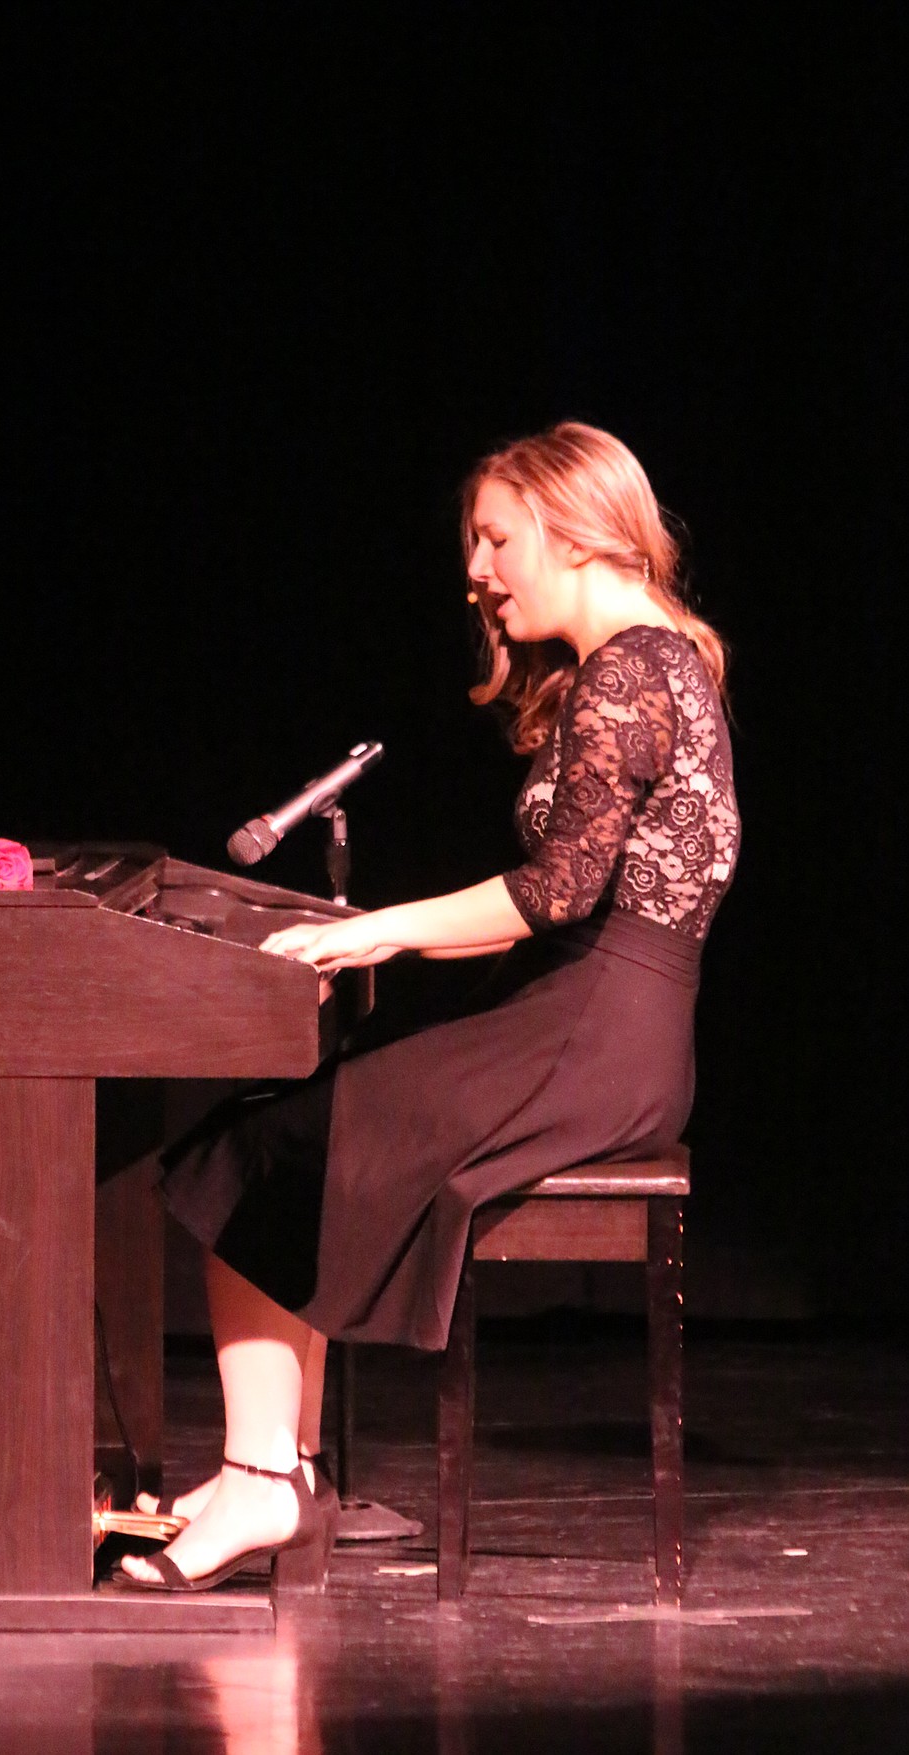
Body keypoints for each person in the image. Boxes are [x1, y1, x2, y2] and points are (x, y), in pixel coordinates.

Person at [119, 420, 740, 1592]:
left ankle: (266, 1484)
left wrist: (374, 931)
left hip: (591, 1038)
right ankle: (277, 1470)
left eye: (497, 539)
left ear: (572, 525)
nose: (478, 572)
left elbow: (556, 894)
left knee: (254, 1146)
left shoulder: (631, 672)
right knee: (275, 1125)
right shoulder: (662, 663)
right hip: (605, 1028)